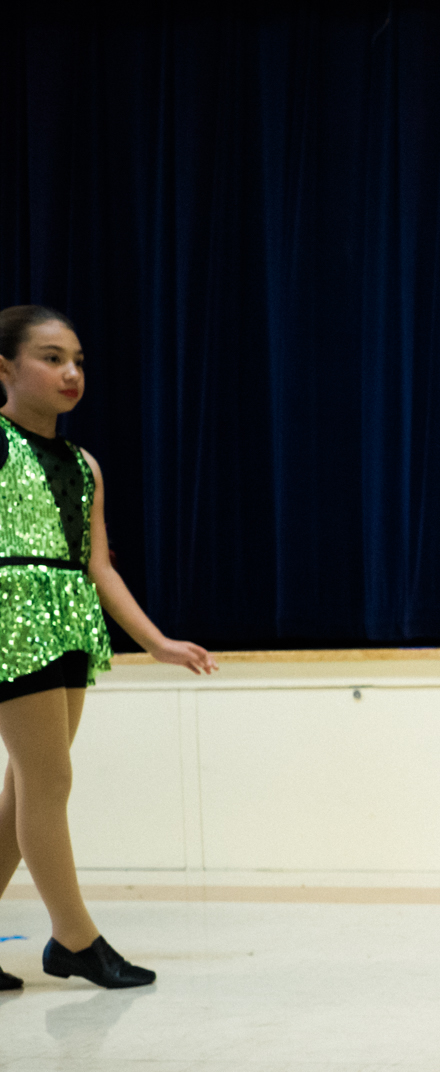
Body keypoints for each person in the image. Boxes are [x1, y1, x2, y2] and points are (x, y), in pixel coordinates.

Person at [0, 305, 216, 992]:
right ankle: (74, 937)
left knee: (23, 789)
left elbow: (99, 566)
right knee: (51, 780)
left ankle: (68, 936)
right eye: (51, 356)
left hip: (67, 619)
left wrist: (156, 640)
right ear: (5, 366)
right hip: (12, 619)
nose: (70, 372)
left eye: (79, 360)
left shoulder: (82, 464)